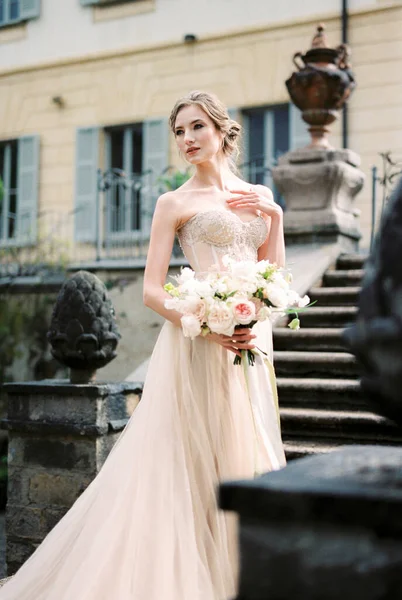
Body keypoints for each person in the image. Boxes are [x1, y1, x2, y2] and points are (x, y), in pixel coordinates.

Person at [0, 90, 286, 600]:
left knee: (243, 453)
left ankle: (240, 574)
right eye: (179, 131)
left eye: (197, 127)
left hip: (248, 344)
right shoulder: (173, 202)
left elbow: (275, 277)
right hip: (197, 343)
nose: (187, 139)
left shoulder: (258, 195)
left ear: (222, 130)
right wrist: (209, 319)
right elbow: (153, 291)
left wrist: (275, 220)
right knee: (186, 460)